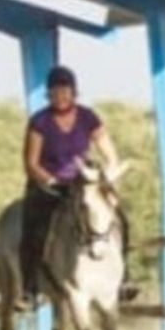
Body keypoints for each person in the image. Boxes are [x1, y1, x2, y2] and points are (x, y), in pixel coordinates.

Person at [17, 65, 135, 309]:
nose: (61, 96)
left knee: (121, 219)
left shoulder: (88, 117)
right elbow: (31, 162)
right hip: (49, 184)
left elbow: (109, 151)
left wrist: (108, 173)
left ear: (74, 92)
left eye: (65, 91)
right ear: (48, 95)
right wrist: (51, 181)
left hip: (83, 183)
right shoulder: (40, 121)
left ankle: (124, 277)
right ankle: (29, 289)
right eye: (55, 92)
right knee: (35, 228)